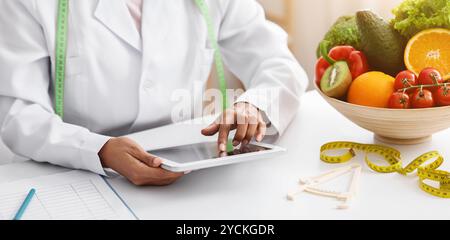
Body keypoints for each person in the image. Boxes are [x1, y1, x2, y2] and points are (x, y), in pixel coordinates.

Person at [0, 0, 308, 186]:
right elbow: (18, 112)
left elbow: (279, 64)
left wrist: (254, 105)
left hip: (186, 177)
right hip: (73, 173)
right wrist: (99, 150)